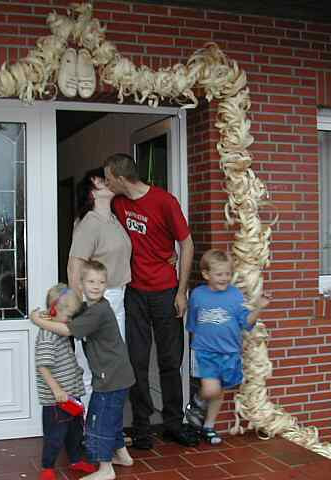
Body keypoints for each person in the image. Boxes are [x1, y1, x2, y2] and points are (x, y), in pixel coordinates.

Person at [103, 153, 197, 449]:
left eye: (108, 177)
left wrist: (182, 292)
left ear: (119, 177)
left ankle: (172, 423)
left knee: (170, 361)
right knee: (136, 362)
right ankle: (142, 428)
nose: (106, 183)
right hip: (135, 293)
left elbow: (187, 243)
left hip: (166, 291)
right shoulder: (117, 203)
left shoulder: (164, 201)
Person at [31, 261, 135, 480]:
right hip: (119, 375)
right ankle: (123, 457)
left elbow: (67, 329)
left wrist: (37, 320)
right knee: (113, 418)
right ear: (81, 284)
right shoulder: (91, 309)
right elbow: (70, 315)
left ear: (107, 284)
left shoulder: (98, 311)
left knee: (99, 420)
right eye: (91, 281)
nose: (96, 286)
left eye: (101, 282)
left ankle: (106, 469)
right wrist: (53, 314)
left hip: (111, 377)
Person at [185, 249, 271, 444]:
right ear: (206, 274)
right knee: (210, 390)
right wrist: (194, 343)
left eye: (228, 274)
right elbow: (192, 323)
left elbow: (246, 323)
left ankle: (208, 426)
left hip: (230, 353)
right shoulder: (198, 295)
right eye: (219, 274)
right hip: (205, 352)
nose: (225, 278)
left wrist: (258, 308)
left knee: (219, 392)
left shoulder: (235, 295)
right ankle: (197, 401)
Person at [67, 167, 132, 407]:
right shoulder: (89, 223)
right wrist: (82, 307)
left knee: (112, 365)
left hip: (116, 298)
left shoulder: (113, 219)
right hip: (96, 299)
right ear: (92, 190)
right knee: (90, 365)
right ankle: (86, 428)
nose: (108, 182)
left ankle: (101, 425)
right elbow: (74, 267)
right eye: (102, 180)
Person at [34, 284, 97, 480]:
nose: (71, 320)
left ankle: (76, 459)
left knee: (75, 431)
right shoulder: (47, 335)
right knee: (55, 434)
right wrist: (56, 390)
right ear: (54, 310)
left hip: (72, 394)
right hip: (57, 399)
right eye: (69, 316)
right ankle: (47, 467)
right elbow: (43, 366)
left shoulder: (60, 329)